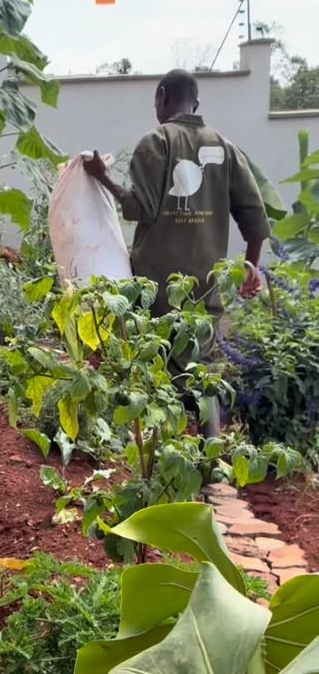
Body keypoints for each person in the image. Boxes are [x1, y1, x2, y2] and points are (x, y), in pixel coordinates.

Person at [83, 68, 270, 433]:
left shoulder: (155, 142)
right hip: (206, 286)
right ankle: (209, 459)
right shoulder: (225, 148)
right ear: (196, 103)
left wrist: (100, 176)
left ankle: (160, 459)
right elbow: (255, 216)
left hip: (156, 287)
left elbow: (139, 208)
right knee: (200, 370)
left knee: (154, 370)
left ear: (162, 96)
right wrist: (251, 266)